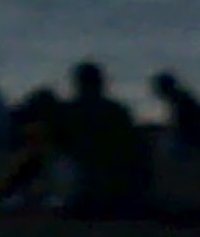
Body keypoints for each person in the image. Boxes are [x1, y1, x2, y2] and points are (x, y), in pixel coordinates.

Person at [52, 62, 153, 218]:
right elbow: (138, 148)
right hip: (120, 188)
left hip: (89, 186)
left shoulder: (68, 112)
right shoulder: (117, 111)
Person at [150, 72, 200, 156]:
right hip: (190, 136)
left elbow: (178, 123)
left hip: (189, 139)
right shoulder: (180, 99)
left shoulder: (180, 100)